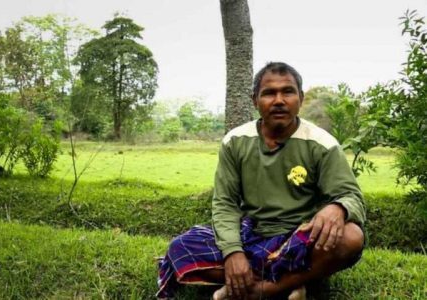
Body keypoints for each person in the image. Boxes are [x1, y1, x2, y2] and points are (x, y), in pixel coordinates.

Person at [156, 62, 365, 300]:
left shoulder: (322, 144)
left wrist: (337, 208)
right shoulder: (235, 141)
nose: (278, 100)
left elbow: (352, 196)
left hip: (299, 234)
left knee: (351, 237)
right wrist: (233, 253)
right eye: (269, 93)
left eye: (287, 91)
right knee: (180, 248)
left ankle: (264, 289)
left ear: (301, 98)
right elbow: (225, 203)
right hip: (251, 232)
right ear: (255, 100)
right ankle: (294, 280)